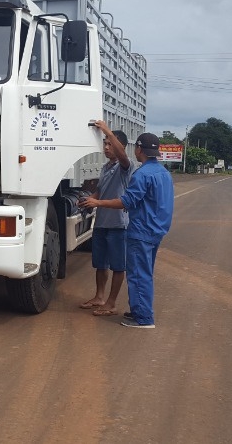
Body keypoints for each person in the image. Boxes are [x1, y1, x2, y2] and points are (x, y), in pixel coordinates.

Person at [82, 132, 174, 328]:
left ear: (138, 149)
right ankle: (139, 311)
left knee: (138, 275)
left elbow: (127, 201)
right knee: (144, 274)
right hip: (156, 230)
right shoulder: (163, 173)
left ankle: (143, 318)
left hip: (141, 230)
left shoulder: (141, 174)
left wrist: (98, 202)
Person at [76, 120, 137, 316]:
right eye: (105, 143)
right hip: (102, 223)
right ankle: (99, 297)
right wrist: (89, 200)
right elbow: (100, 192)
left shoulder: (125, 167)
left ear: (122, 147)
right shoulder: (105, 168)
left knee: (118, 266)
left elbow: (122, 156)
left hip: (118, 224)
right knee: (100, 264)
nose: (107, 147)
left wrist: (106, 129)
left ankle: (111, 303)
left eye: (111, 143)